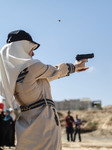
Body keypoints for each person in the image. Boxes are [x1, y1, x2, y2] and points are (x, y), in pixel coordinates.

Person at [0, 30, 88, 150]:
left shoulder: (10, 76)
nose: (33, 54)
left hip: (26, 125)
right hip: (43, 123)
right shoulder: (33, 67)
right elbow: (55, 72)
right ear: (23, 48)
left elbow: (45, 76)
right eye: (31, 49)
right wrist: (75, 66)